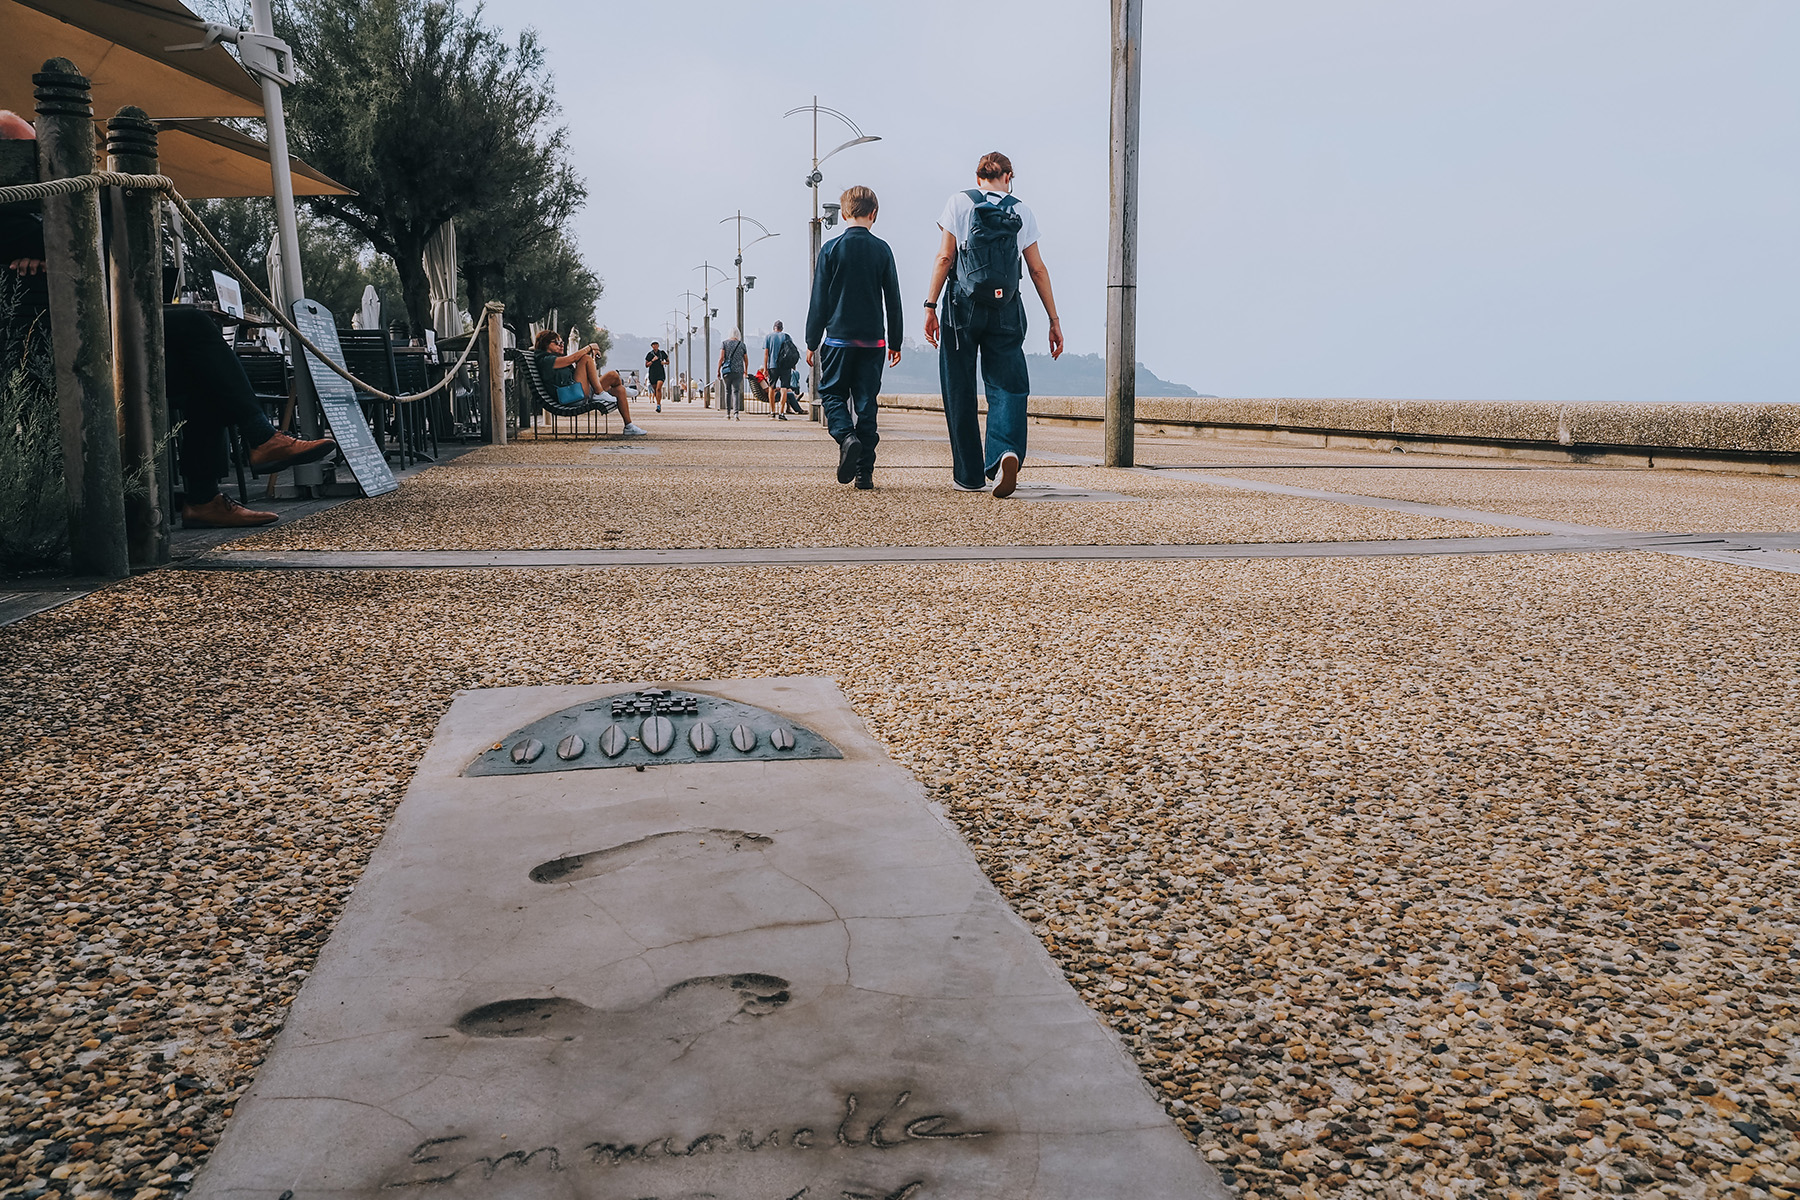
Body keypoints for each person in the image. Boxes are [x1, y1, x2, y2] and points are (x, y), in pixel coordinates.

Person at [2, 110, 338, 529]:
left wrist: (57, 250)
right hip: (41, 346)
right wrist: (63, 246)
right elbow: (71, 238)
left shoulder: (61, 195)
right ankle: (259, 437)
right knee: (196, 326)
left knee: (204, 373)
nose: (30, 163)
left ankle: (203, 499)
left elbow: (103, 233)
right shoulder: (19, 201)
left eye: (36, 152)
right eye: (17, 151)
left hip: (94, 333)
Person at [922, 151, 1064, 498]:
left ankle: (969, 477)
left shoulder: (959, 203)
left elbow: (945, 256)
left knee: (959, 388)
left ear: (978, 177)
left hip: (961, 305)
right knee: (1008, 386)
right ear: (1009, 176)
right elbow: (1037, 269)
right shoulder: (1021, 210)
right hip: (1007, 307)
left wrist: (930, 305)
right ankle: (1005, 451)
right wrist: (1053, 319)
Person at [804, 185, 902, 490]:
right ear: (874, 214)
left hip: (838, 341)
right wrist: (895, 342)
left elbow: (819, 299)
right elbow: (893, 300)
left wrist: (811, 341)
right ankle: (864, 474)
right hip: (873, 342)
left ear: (844, 213)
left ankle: (846, 437)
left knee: (832, 395)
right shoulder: (883, 249)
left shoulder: (831, 249)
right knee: (866, 404)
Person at [533, 330, 646, 436]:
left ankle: (629, 426)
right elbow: (572, 359)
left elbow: (575, 364)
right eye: (557, 342)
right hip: (572, 397)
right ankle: (599, 392)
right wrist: (590, 347)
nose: (561, 344)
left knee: (614, 379)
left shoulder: (554, 358)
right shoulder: (545, 360)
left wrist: (592, 358)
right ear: (546, 344)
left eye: (562, 342)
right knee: (586, 359)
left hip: (577, 391)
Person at [762, 320, 800, 420]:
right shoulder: (787, 336)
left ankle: (772, 411)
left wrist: (765, 368)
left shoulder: (768, 337)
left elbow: (766, 354)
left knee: (772, 387)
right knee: (784, 388)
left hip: (772, 365)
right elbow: (791, 351)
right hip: (785, 366)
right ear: (782, 328)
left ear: (774, 328)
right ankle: (781, 413)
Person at [717, 329, 748, 420]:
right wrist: (745, 370)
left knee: (728, 391)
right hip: (738, 371)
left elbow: (721, 358)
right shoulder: (742, 345)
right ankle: (736, 414)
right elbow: (746, 359)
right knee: (736, 391)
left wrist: (718, 370)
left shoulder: (724, 343)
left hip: (727, 371)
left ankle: (727, 413)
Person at [643, 341, 669, 411]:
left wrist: (664, 362)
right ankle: (658, 403)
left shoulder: (662, 353)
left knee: (658, 389)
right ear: (652, 346)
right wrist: (652, 360)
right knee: (655, 390)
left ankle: (658, 405)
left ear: (658, 346)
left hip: (660, 373)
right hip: (652, 374)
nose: (655, 346)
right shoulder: (650, 354)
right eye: (654, 345)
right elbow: (646, 365)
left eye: (656, 345)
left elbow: (668, 361)